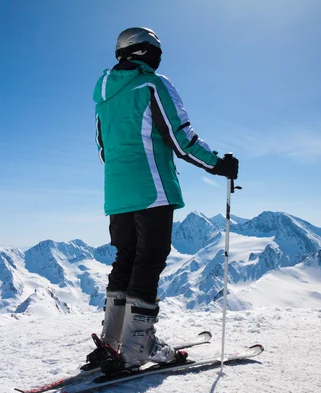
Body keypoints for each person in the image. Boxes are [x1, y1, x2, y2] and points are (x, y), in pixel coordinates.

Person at [88, 27, 239, 373]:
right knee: (149, 259)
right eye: (156, 51)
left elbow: (103, 150)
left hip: (117, 192)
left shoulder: (103, 96)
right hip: (152, 189)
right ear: (143, 52)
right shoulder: (152, 85)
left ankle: (112, 341)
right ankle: (138, 345)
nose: (159, 58)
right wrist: (219, 165)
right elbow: (180, 137)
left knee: (125, 257)